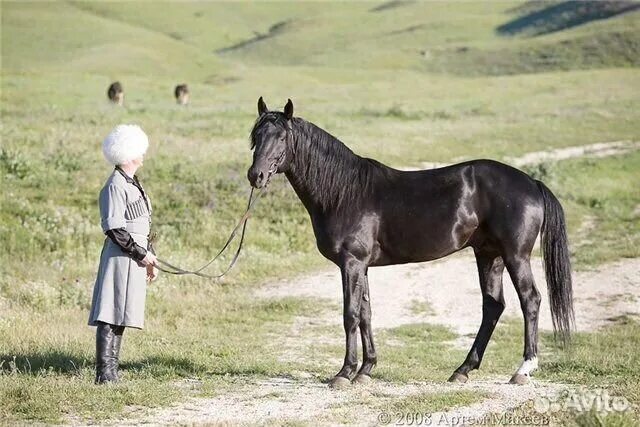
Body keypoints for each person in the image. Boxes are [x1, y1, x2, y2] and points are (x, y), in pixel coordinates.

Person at [88, 124, 158, 384]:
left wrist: (150, 257)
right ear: (128, 154)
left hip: (133, 256)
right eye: (138, 150)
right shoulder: (115, 185)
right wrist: (141, 254)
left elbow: (142, 224)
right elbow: (114, 228)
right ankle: (104, 374)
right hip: (120, 256)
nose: (143, 154)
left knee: (122, 312)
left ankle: (112, 372)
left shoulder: (132, 183)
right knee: (110, 311)